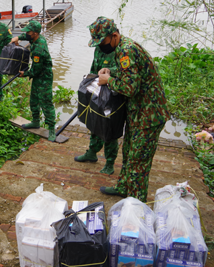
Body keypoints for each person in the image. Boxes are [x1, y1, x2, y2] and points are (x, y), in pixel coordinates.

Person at [89, 17, 170, 202]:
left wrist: (108, 80)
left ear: (114, 35)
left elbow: (129, 88)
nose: (101, 46)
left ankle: (136, 205)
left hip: (149, 115)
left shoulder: (126, 51)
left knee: (138, 163)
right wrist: (110, 71)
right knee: (128, 153)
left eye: (102, 42)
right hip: (138, 112)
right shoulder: (122, 48)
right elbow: (131, 74)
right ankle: (123, 187)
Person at [74, 24, 119, 175]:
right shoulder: (99, 48)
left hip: (114, 95)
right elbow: (94, 69)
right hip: (99, 91)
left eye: (101, 41)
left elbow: (124, 75)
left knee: (109, 129)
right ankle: (92, 152)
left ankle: (110, 162)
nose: (100, 45)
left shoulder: (120, 51)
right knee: (94, 122)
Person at [10, 21, 56, 142]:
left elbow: (35, 70)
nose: (26, 33)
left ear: (35, 33)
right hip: (38, 75)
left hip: (44, 77)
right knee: (34, 99)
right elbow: (26, 36)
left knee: (46, 102)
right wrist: (17, 38)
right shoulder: (35, 38)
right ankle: (35, 122)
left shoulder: (39, 49)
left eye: (28, 31)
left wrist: (24, 74)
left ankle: (52, 129)